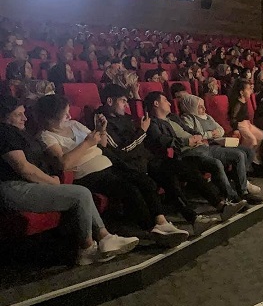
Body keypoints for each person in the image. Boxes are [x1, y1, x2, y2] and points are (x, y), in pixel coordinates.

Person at [33, 94, 189, 247]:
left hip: (109, 164)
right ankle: (151, 228)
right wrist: (87, 144)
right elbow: (64, 163)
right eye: (64, 113)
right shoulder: (46, 136)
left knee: (145, 181)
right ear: (51, 117)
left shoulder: (74, 124)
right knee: (130, 189)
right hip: (89, 174)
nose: (69, 116)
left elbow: (102, 143)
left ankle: (161, 221)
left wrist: (101, 130)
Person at [0, 95, 139, 266]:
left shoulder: (18, 132)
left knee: (81, 193)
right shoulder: (4, 132)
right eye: (18, 114)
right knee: (81, 194)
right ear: (4, 116)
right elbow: (23, 168)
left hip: (28, 185)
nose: (25, 118)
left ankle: (105, 238)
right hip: (14, 188)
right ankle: (87, 249)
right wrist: (51, 182)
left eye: (24, 113)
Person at [97, 85, 222, 234]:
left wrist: (141, 132)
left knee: (185, 168)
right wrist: (142, 131)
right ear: (110, 101)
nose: (126, 105)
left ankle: (217, 206)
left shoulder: (126, 117)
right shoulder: (103, 123)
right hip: (131, 165)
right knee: (165, 177)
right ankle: (173, 222)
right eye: (123, 101)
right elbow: (122, 151)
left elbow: (138, 140)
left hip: (147, 159)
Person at [143, 91, 254, 210]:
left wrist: (198, 135)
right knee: (216, 163)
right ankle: (233, 198)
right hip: (188, 152)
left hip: (202, 146)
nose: (170, 103)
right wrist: (188, 141)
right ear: (156, 104)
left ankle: (243, 193)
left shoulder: (173, 117)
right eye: (165, 100)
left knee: (239, 155)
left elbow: (189, 129)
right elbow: (163, 140)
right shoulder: (153, 123)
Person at [177, 93, 263, 202]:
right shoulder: (187, 118)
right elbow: (195, 135)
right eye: (200, 107)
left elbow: (221, 129)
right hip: (205, 147)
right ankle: (242, 192)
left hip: (216, 144)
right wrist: (211, 134)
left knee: (249, 151)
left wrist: (213, 133)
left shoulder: (208, 117)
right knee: (239, 155)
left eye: (203, 106)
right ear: (191, 107)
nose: (204, 109)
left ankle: (239, 180)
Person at [228, 79, 263, 164]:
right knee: (252, 140)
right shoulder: (238, 104)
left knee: (260, 135)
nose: (250, 91)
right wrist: (235, 129)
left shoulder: (245, 101)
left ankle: (253, 154)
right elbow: (233, 118)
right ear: (241, 92)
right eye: (248, 89)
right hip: (240, 124)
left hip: (247, 123)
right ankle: (245, 157)